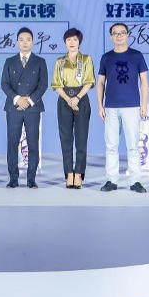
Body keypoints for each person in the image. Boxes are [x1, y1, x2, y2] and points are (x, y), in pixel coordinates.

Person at [97, 22, 149, 194]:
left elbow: (144, 81)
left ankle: (135, 181)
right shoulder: (106, 58)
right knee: (111, 145)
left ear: (128, 35)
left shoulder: (137, 56)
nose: (119, 36)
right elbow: (100, 83)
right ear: (111, 37)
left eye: (122, 33)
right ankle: (111, 180)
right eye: (115, 33)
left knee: (133, 146)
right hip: (111, 107)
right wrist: (100, 105)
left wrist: (144, 104)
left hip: (132, 106)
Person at [1, 27, 49, 189]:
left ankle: (31, 179)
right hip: (13, 107)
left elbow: (43, 85)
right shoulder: (9, 61)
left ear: (33, 42)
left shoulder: (40, 61)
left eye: (28, 39)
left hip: (32, 107)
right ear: (17, 42)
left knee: (33, 144)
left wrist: (29, 100)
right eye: (21, 39)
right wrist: (17, 99)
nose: (25, 42)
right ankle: (13, 179)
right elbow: (4, 84)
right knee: (12, 143)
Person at [51, 28, 95, 189]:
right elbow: (56, 84)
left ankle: (79, 173)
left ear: (79, 42)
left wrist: (77, 98)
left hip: (81, 99)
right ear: (65, 43)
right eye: (68, 40)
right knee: (66, 138)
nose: (71, 42)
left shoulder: (86, 59)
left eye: (74, 39)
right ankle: (69, 173)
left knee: (81, 138)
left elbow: (89, 81)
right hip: (64, 100)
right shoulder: (60, 61)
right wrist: (69, 99)